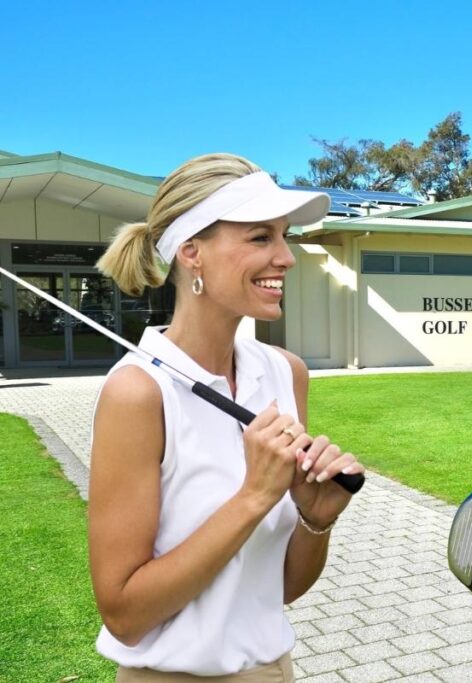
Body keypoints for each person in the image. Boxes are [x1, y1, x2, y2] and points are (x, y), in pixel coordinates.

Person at [89, 153, 364, 681]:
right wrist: (254, 496)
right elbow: (124, 615)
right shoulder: (138, 393)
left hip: (274, 668)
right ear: (192, 252)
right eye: (261, 238)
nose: (286, 257)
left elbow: (280, 588)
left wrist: (315, 519)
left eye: (284, 237)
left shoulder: (286, 373)